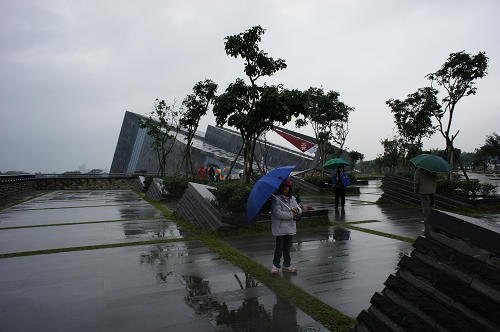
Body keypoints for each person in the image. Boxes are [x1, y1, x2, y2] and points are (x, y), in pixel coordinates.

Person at [270, 178, 302, 274]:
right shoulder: (276, 199)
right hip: (280, 228)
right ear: (281, 188)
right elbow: (277, 213)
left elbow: (298, 209)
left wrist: (298, 211)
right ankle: (275, 265)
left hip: (290, 227)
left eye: (287, 186)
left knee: (287, 248)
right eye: (284, 186)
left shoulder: (293, 199)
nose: (286, 188)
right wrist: (292, 214)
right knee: (279, 248)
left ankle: (287, 265)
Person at [413, 167, 437, 235]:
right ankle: (433, 229)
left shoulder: (419, 170)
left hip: (424, 193)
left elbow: (416, 181)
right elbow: (435, 180)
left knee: (426, 212)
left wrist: (415, 190)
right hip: (432, 193)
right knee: (432, 211)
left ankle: (427, 231)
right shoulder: (433, 170)